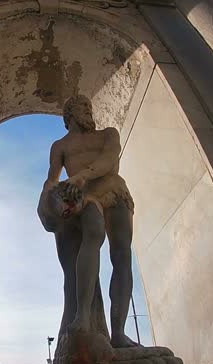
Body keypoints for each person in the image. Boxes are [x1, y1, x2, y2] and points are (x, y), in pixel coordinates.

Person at [38, 94, 138, 348]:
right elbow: (52, 177)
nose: (88, 112)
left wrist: (81, 176)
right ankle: (82, 315)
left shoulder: (107, 134)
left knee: (122, 256)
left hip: (113, 190)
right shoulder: (60, 146)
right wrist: (47, 197)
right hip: (84, 198)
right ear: (69, 114)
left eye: (89, 107)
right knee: (92, 236)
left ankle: (118, 333)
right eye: (83, 107)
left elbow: (109, 159)